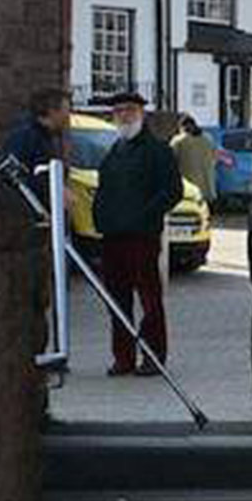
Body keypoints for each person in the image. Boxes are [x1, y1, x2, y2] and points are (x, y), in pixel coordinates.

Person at [93, 91, 183, 378]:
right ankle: (124, 358)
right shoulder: (113, 153)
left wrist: (145, 215)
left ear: (142, 113)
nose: (123, 115)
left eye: (130, 110)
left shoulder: (158, 151)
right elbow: (104, 191)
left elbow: (172, 191)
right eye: (118, 111)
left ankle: (153, 357)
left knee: (149, 299)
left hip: (142, 237)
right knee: (117, 301)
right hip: (112, 237)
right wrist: (100, 219)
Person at [1, 88, 71, 200]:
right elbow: (14, 177)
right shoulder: (25, 136)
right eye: (66, 110)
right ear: (52, 111)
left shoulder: (45, 136)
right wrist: (54, 191)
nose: (68, 116)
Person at [171, 115, 218, 205]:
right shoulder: (208, 139)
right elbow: (215, 157)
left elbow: (170, 161)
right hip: (207, 187)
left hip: (188, 189)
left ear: (182, 127)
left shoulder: (178, 141)